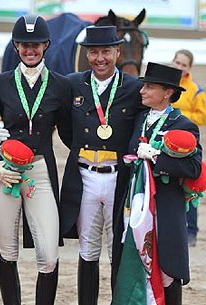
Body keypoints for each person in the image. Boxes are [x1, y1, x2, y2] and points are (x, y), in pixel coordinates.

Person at [0, 14, 72, 305]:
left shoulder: (60, 85)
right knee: (7, 249)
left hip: (39, 170)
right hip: (6, 172)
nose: (30, 49)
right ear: (16, 46)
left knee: (49, 254)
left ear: (46, 45)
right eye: (24, 44)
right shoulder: (1, 83)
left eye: (36, 44)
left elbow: (67, 135)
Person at [59, 26, 144, 305]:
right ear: (86, 55)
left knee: (117, 249)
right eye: (93, 52)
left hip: (117, 179)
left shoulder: (133, 87)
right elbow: (65, 129)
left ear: (117, 52)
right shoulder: (74, 83)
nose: (100, 58)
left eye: (106, 51)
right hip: (84, 177)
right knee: (87, 249)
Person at [111, 62, 202, 305]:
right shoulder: (139, 118)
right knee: (130, 259)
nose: (142, 91)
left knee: (166, 270)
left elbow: (193, 168)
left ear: (168, 92)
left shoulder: (184, 125)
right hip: (135, 201)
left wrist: (156, 157)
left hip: (164, 205)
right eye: (143, 86)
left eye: (149, 87)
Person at [172, 49, 206, 247]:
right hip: (168, 142)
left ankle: (191, 230)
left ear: (189, 68)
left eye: (184, 65)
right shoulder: (166, 83)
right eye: (177, 62)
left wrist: (181, 116)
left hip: (188, 144)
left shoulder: (196, 90)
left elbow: (202, 116)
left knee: (189, 187)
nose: (179, 67)